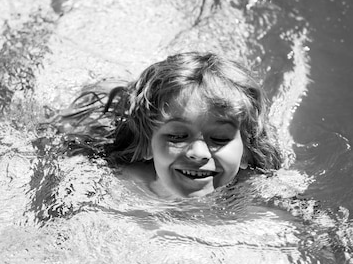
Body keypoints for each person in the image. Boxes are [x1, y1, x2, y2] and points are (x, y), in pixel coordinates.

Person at [53, 52, 282, 198]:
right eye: (177, 136)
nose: (197, 153)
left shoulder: (255, 189)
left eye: (220, 139)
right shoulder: (119, 182)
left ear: (246, 153)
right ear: (147, 144)